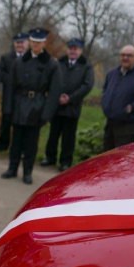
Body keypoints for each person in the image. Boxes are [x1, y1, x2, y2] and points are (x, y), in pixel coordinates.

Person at [1, 27, 62, 184]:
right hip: (19, 103)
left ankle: (27, 171)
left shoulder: (51, 64)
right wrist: (8, 108)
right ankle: (12, 168)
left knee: (31, 142)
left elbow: (54, 93)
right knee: (16, 140)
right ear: (29, 42)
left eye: (39, 42)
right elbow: (10, 87)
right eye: (33, 42)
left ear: (44, 43)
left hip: (37, 105)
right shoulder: (19, 62)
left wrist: (46, 114)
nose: (35, 45)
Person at [41, 37, 94, 170]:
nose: (73, 51)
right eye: (71, 48)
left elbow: (87, 86)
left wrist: (70, 98)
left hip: (72, 106)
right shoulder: (60, 62)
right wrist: (56, 96)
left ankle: (65, 161)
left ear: (81, 50)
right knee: (53, 133)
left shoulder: (86, 65)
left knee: (68, 136)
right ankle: (50, 157)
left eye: (76, 49)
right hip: (57, 104)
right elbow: (51, 79)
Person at [101, 44, 134, 150]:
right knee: (106, 156)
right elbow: (105, 90)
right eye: (123, 55)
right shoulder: (112, 74)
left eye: (129, 55)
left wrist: (132, 107)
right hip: (110, 123)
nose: (125, 58)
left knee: (121, 159)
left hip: (128, 126)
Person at [0, 32, 28, 153]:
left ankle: (21, 147)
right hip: (9, 93)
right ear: (14, 44)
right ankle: (2, 144)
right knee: (6, 120)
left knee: (22, 122)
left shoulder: (29, 58)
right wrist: (11, 79)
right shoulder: (6, 58)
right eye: (17, 43)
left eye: (22, 42)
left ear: (27, 43)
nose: (20, 45)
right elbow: (0, 73)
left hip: (24, 95)